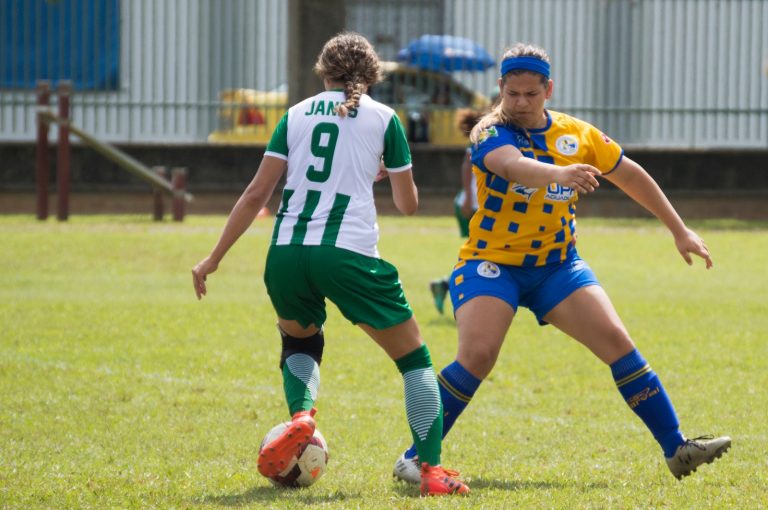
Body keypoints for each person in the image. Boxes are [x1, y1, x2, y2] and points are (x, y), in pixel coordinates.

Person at [393, 42, 731, 484]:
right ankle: (414, 458)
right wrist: (559, 173)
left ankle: (677, 448)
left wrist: (678, 229)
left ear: (549, 89)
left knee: (617, 341)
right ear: (501, 88)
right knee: (477, 354)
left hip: (557, 266)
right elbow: (511, 166)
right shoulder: (488, 130)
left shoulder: (577, 134)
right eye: (511, 93)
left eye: (530, 94)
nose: (518, 103)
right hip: (491, 264)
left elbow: (629, 173)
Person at [191, 32, 468, 497]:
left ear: (323, 73)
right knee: (414, 359)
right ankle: (432, 470)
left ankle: (301, 416)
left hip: (285, 254)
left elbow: (257, 194)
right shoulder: (384, 118)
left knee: (300, 342)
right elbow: (409, 204)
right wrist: (382, 172)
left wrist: (213, 258)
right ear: (373, 77)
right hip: (347, 254)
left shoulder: (294, 115)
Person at [429, 108, 484, 314]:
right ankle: (448, 286)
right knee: (481, 256)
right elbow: (466, 166)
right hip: (473, 206)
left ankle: (447, 285)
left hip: (477, 205)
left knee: (482, 256)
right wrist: (469, 199)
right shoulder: (484, 134)